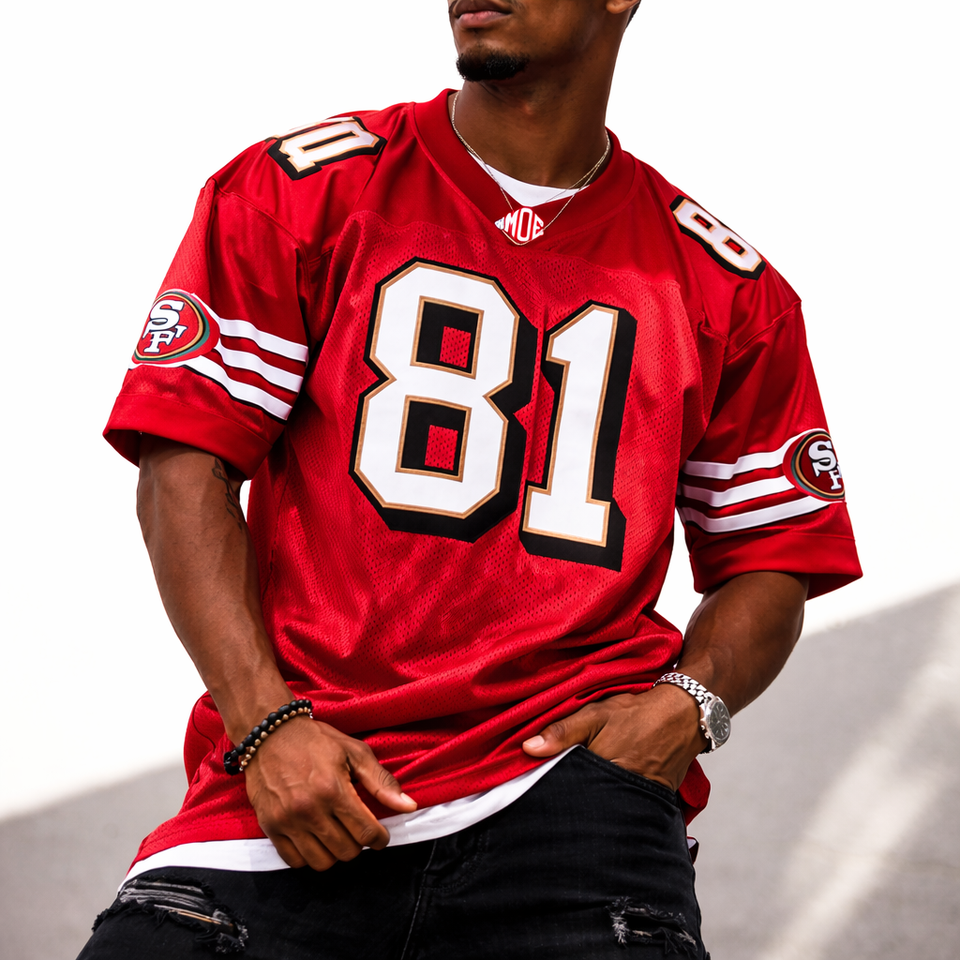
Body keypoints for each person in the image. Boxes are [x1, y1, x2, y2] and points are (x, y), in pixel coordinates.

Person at [80, 1, 861, 957]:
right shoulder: (301, 190)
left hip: (573, 810)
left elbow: (773, 555)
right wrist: (265, 724)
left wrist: (684, 709)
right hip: (303, 785)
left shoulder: (728, 287)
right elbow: (183, 466)